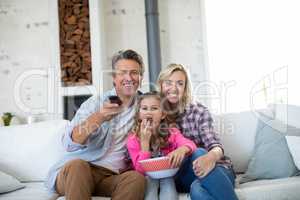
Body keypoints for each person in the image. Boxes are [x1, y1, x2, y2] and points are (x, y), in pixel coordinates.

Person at [46, 49, 146, 200]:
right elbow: (68, 144)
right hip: (77, 172)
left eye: (134, 72)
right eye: (122, 72)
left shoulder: (146, 105)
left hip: (111, 176)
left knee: (136, 179)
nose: (129, 77)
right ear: (114, 77)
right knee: (78, 166)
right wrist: (98, 117)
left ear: (141, 77)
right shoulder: (96, 103)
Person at [157, 63, 238, 200]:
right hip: (182, 175)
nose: (174, 88)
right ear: (161, 86)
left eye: (180, 83)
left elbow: (216, 147)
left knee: (198, 189)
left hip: (216, 168)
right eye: (168, 83)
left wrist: (210, 158)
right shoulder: (156, 114)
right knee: (197, 153)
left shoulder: (198, 112)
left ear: (185, 88)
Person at [126, 91, 196, 200]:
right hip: (147, 176)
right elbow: (140, 171)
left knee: (168, 184)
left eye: (154, 108)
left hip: (168, 175)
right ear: (139, 114)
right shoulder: (133, 139)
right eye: (144, 108)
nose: (149, 112)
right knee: (150, 186)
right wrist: (144, 143)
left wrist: (182, 149)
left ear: (163, 114)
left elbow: (190, 144)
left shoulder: (172, 132)